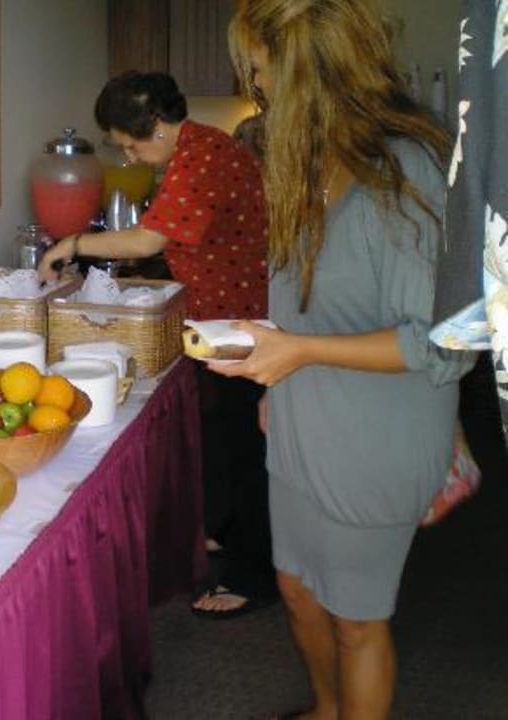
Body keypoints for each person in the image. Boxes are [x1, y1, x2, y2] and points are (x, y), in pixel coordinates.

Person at [213, 1, 477, 717]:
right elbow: (308, 300)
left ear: (304, 74)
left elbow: (445, 344)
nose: (258, 89)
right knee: (298, 591)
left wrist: (293, 351)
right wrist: (276, 359)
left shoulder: (403, 172)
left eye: (263, 75)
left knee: (357, 619)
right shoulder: (307, 158)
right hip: (300, 418)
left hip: (375, 437)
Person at [38, 71, 279, 618]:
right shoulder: (200, 148)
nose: (128, 155)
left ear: (159, 126)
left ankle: (254, 572)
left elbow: (149, 238)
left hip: (237, 321)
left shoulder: (203, 158)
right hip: (220, 313)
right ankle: (222, 530)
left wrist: (71, 244)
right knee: (218, 435)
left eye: (129, 143)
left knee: (243, 448)